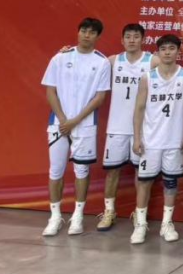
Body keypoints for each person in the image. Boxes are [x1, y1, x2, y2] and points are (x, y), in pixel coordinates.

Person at [41, 17, 111, 237]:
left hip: (85, 125)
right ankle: (55, 217)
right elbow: (50, 91)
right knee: (56, 170)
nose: (87, 35)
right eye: (83, 30)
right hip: (58, 124)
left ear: (98, 36)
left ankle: (78, 216)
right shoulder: (60, 58)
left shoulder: (102, 62)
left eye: (92, 32)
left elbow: (99, 98)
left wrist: (75, 120)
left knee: (82, 171)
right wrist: (63, 119)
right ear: (78, 32)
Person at [131, 33, 183, 244]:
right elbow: (139, 109)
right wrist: (137, 138)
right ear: (158, 52)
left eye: (171, 48)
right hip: (151, 141)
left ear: (178, 52)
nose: (167, 53)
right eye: (163, 49)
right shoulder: (148, 77)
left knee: (170, 183)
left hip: (174, 140)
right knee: (144, 182)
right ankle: (140, 224)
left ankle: (167, 223)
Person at [98, 23, 152, 232]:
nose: (132, 40)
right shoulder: (112, 61)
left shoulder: (152, 61)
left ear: (143, 40)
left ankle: (140, 214)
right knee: (113, 172)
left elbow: (175, 70)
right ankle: (109, 212)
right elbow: (88, 61)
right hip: (116, 127)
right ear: (122, 40)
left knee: (141, 173)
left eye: (136, 36)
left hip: (142, 129)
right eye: (128, 36)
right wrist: (67, 52)